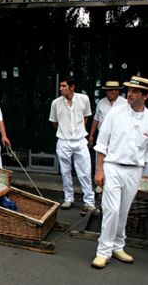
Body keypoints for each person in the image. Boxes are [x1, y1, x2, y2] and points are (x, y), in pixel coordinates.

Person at [91, 75, 148, 269]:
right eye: (129, 90)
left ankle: (118, 245)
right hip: (112, 166)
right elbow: (101, 143)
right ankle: (103, 251)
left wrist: (143, 173)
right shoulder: (116, 113)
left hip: (134, 170)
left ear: (145, 96)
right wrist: (99, 170)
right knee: (111, 209)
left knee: (123, 211)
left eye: (136, 91)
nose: (130, 93)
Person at [49, 77, 95, 211]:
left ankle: (89, 202)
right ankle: (68, 199)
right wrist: (64, 131)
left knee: (85, 171)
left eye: (64, 86)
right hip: (63, 141)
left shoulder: (83, 99)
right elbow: (54, 122)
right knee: (65, 171)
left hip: (80, 140)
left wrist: (77, 131)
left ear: (72, 87)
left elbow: (85, 118)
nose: (61, 89)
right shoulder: (56, 103)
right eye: (61, 86)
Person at [88, 81, 127, 148]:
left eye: (110, 90)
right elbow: (96, 119)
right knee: (100, 155)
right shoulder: (101, 102)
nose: (108, 92)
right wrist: (91, 135)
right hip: (102, 137)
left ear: (117, 91)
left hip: (119, 138)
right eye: (107, 90)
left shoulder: (125, 103)